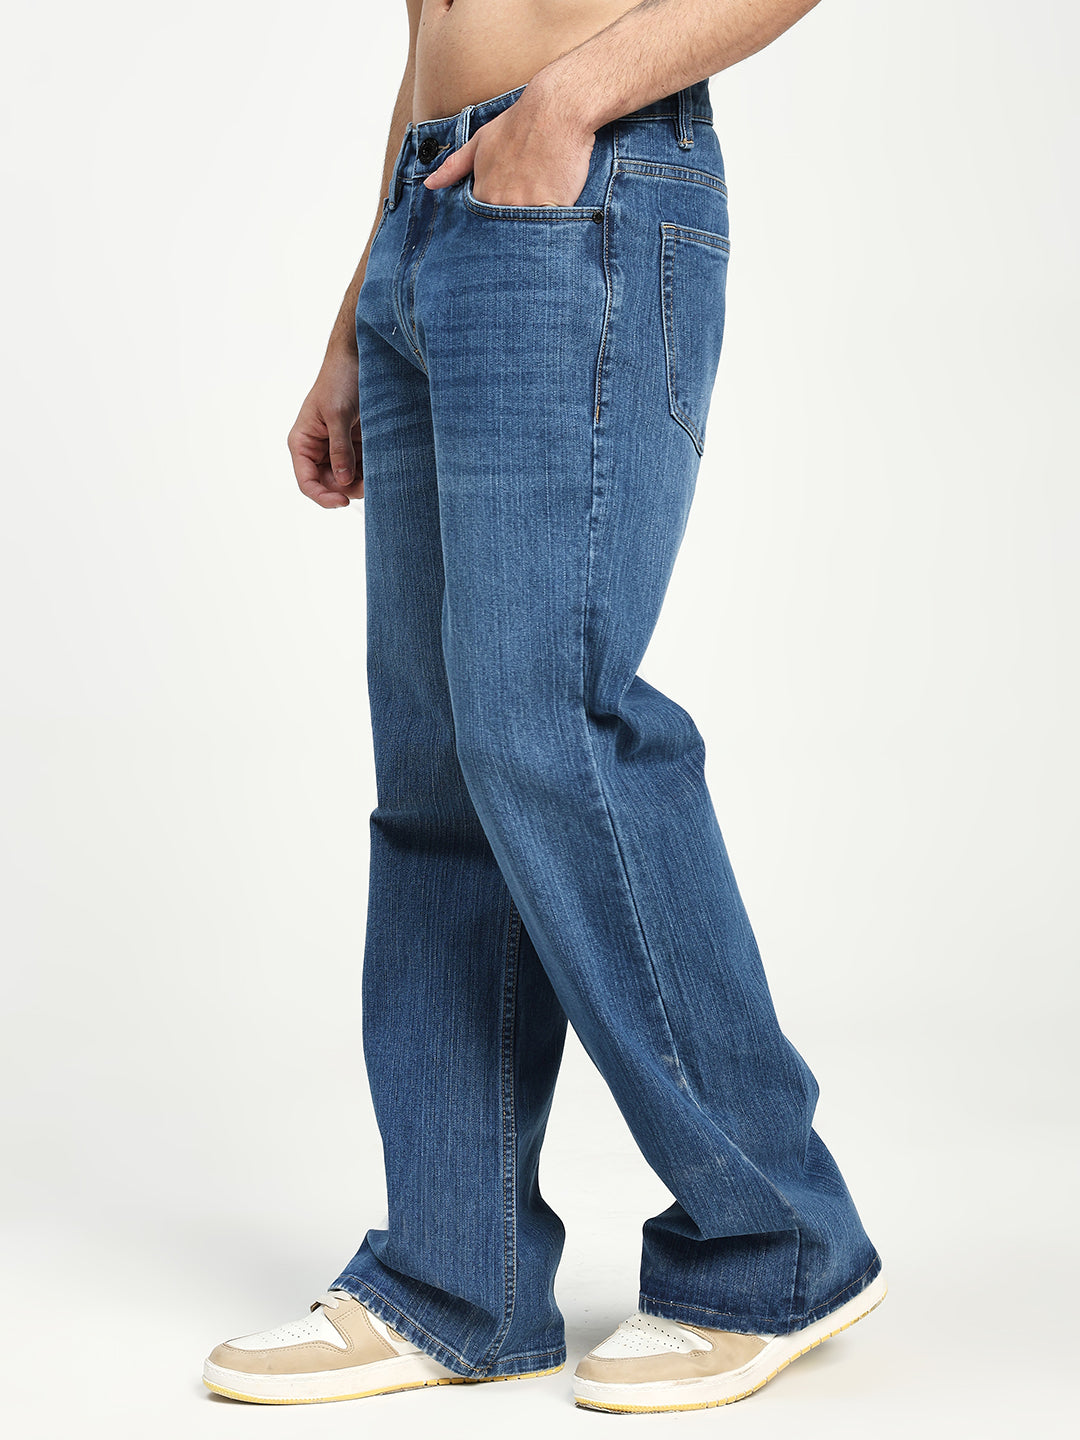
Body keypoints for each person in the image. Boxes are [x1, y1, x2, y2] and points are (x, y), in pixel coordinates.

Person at [203, 0, 885, 1414]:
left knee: (549, 732)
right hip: (432, 211)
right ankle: (458, 1275)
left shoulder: (577, 127)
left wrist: (569, 103)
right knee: (440, 778)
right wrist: (360, 309)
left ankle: (779, 1241)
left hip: (587, 182)